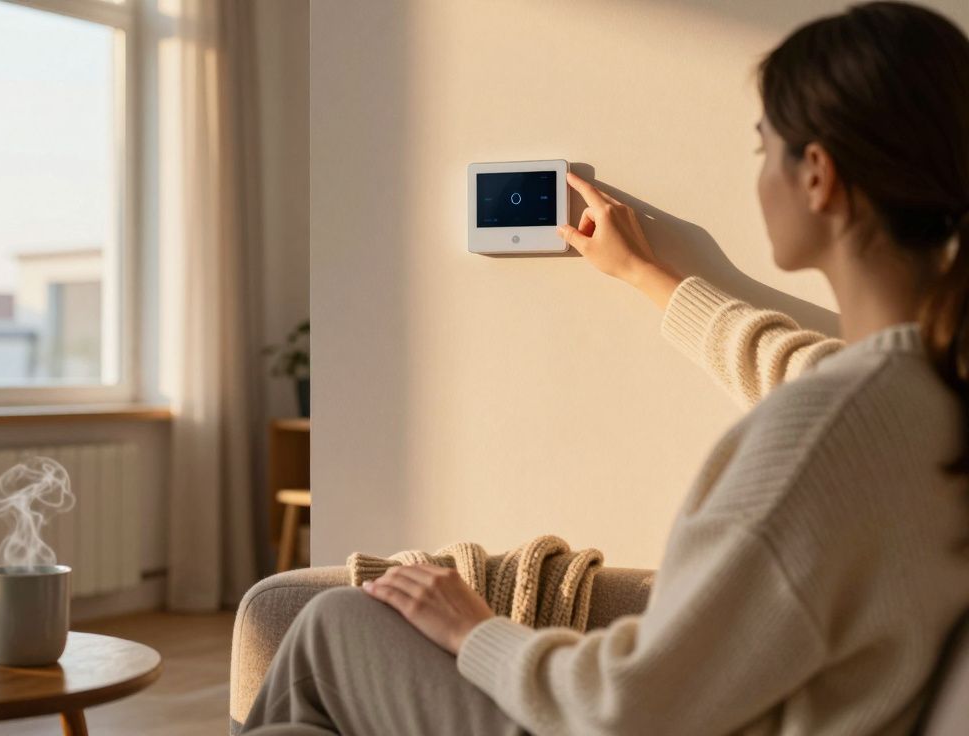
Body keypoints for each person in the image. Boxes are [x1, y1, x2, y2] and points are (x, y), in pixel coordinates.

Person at [240, 2, 969, 734]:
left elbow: (632, 705)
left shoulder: (828, 431)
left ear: (818, 176)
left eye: (762, 149)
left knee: (331, 625)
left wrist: (474, 628)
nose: (760, 178)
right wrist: (646, 276)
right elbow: (802, 369)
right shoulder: (930, 391)